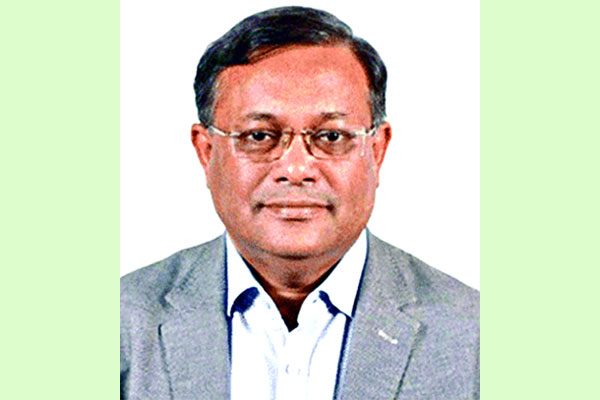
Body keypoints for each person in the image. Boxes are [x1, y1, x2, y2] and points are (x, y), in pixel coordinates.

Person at [120, 6, 479, 400]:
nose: (295, 169)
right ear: (206, 152)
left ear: (377, 150)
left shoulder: (474, 337)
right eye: (259, 136)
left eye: (331, 136)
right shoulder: (122, 323)